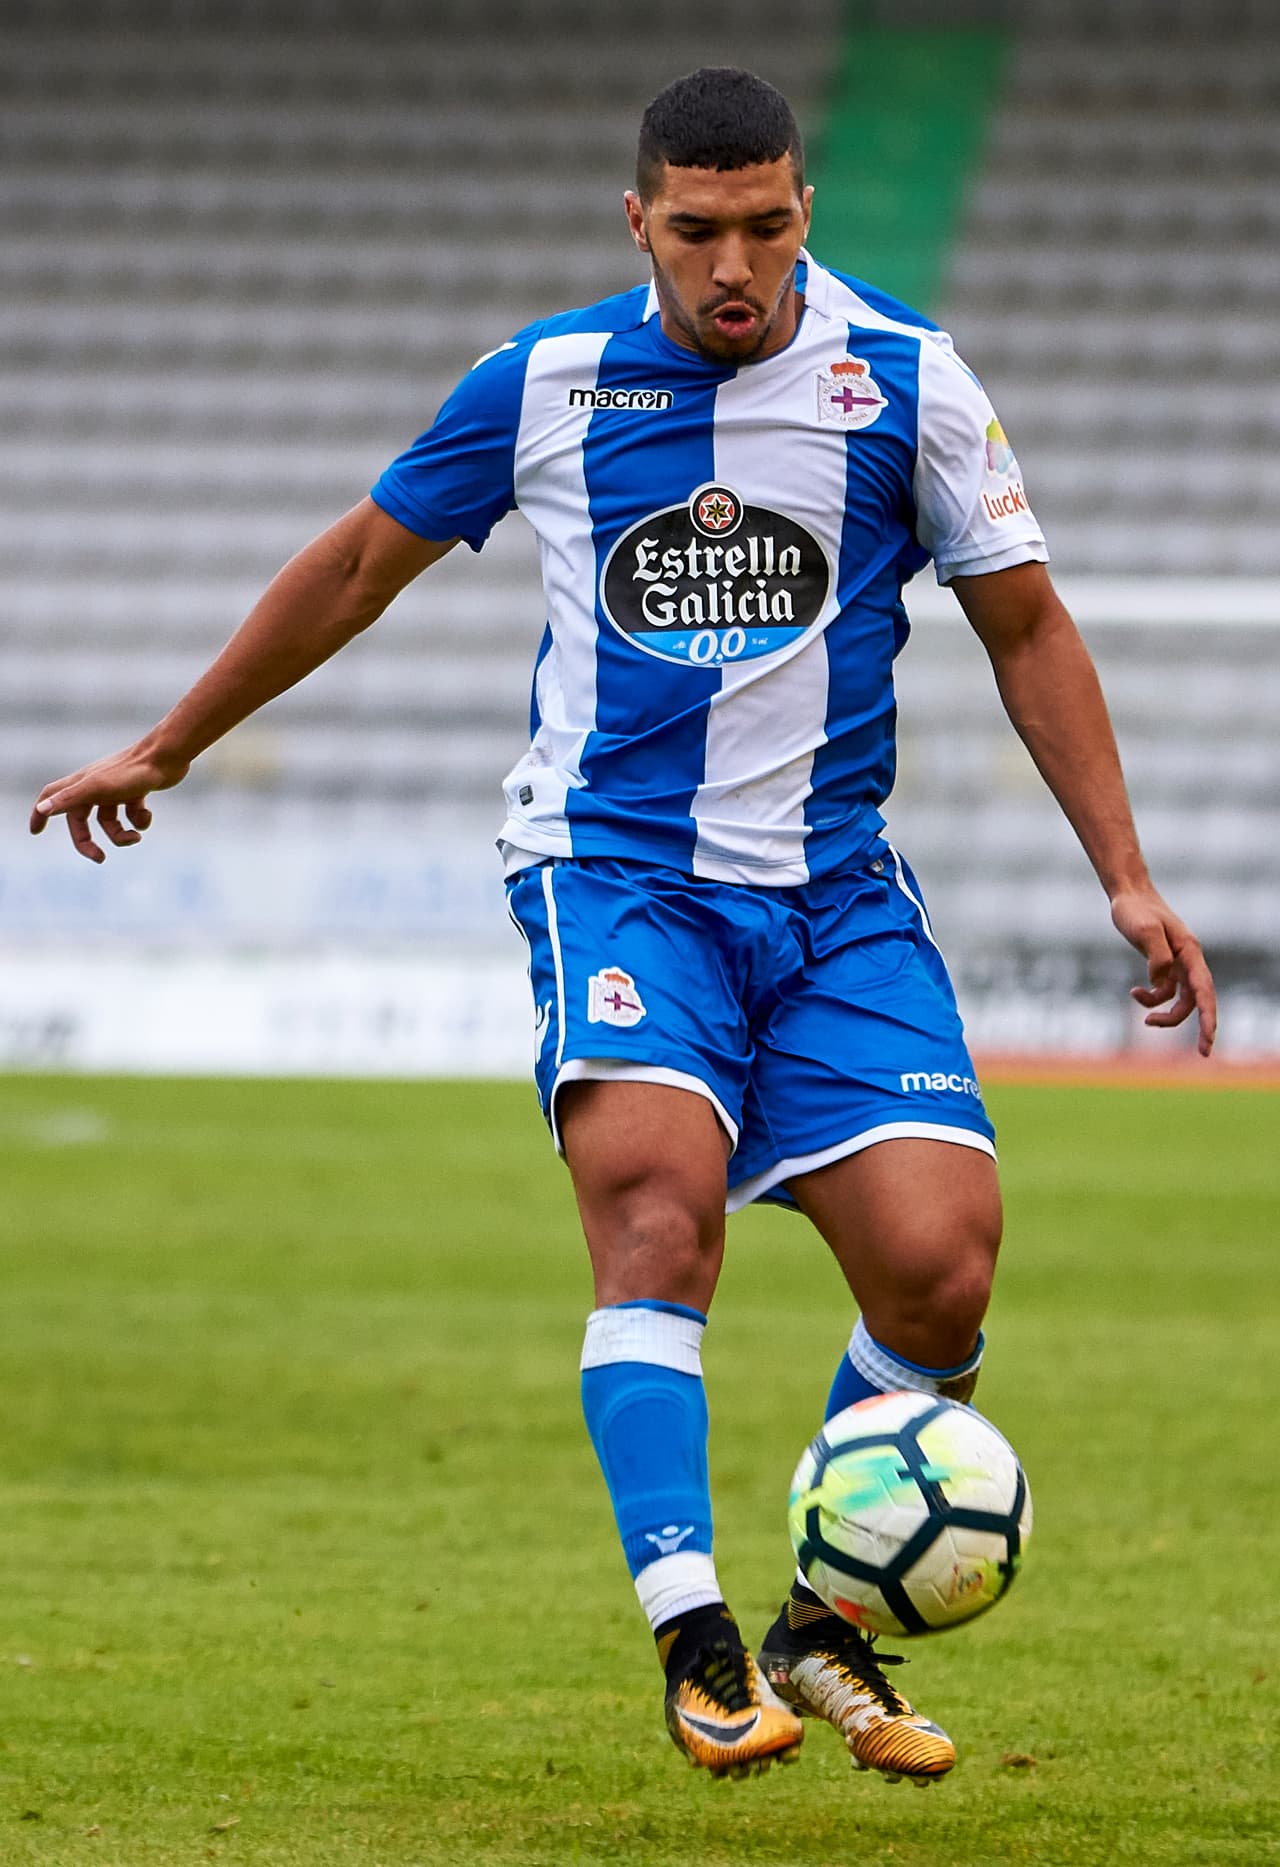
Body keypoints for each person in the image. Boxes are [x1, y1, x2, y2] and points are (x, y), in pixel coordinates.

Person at [31, 68, 1216, 1786]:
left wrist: (1123, 869)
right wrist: (174, 740)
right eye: (696, 230)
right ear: (639, 223)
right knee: (657, 1213)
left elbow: (1028, 629)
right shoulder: (551, 382)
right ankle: (699, 1641)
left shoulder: (907, 379)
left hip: (830, 890)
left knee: (942, 1265)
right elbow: (365, 558)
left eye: (767, 224)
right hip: (617, 869)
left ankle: (827, 1624)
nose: (734, 263)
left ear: (806, 208)